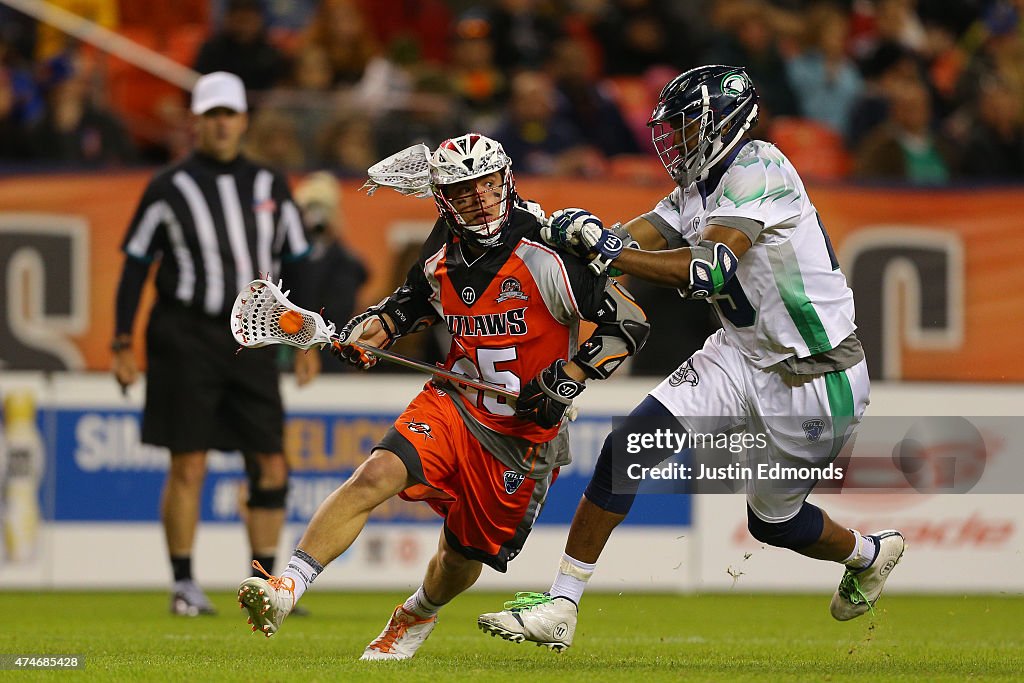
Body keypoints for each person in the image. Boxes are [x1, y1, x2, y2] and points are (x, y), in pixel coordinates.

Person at [477, 65, 906, 651]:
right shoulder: (700, 183)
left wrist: (609, 251)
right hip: (739, 353)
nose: (673, 140)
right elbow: (642, 235)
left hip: (816, 376)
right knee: (630, 445)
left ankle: (869, 554)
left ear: (723, 121)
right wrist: (580, 234)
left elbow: (707, 270)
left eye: (684, 126)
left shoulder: (760, 166)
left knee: (773, 523)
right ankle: (562, 603)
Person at [236, 133, 650, 660]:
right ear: (443, 199)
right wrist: (376, 329)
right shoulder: (441, 248)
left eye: (487, 186)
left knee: (460, 558)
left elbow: (629, 324)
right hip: (454, 401)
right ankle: (286, 587)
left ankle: (417, 612)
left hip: (522, 437)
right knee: (376, 473)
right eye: (463, 190)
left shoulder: (551, 250)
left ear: (507, 181)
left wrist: (565, 379)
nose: (479, 200)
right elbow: (411, 304)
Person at [111, 71, 320, 616]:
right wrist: (119, 341)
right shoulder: (168, 187)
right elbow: (135, 265)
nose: (222, 124)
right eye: (212, 114)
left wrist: (305, 339)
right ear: (196, 122)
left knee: (271, 463)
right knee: (189, 463)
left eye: (229, 113)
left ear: (243, 119)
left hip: (253, 338)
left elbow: (298, 261)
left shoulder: (270, 185)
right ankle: (183, 582)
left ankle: (269, 582)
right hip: (185, 333)